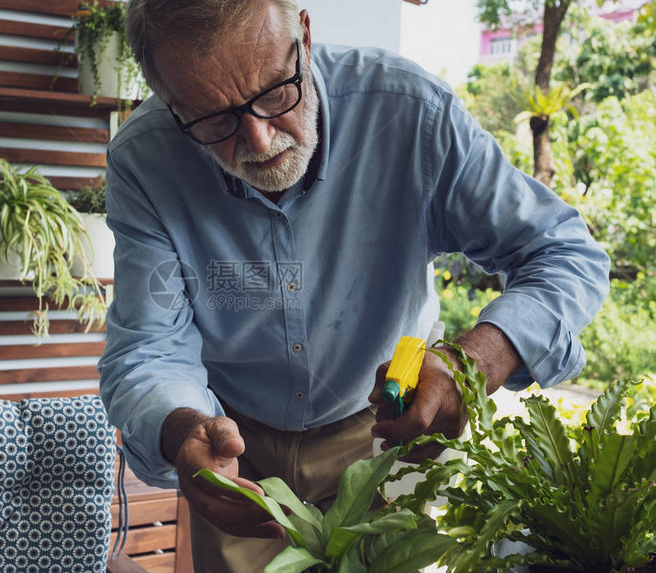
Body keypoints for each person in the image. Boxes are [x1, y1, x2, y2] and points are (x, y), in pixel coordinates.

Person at [98, 1, 610, 571]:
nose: (261, 140)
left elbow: (563, 253)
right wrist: (184, 433)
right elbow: (149, 346)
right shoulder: (145, 160)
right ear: (171, 102)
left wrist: (476, 359)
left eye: (274, 92)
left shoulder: (412, 114)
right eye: (213, 119)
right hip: (233, 448)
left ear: (306, 37)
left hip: (385, 431)